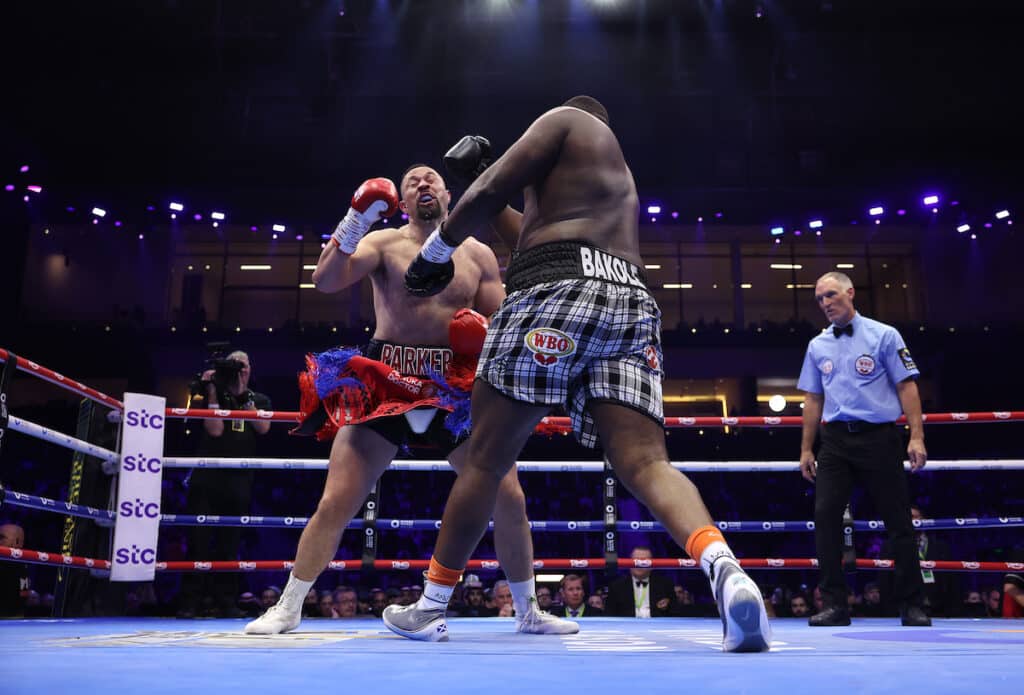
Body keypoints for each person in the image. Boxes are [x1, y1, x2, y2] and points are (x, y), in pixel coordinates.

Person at [384, 95, 771, 652]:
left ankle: (431, 605)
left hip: (556, 296)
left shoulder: (566, 120)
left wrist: (435, 253)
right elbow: (530, 236)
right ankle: (724, 566)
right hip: (629, 301)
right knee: (645, 462)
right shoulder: (612, 183)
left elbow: (493, 191)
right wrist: (478, 181)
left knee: (486, 458)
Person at [244, 161, 576, 637]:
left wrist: (491, 331)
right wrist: (356, 220)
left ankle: (528, 612)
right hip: (386, 381)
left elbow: (501, 322)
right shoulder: (382, 244)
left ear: (448, 194)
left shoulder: (477, 253)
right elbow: (326, 279)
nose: (424, 184)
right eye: (413, 182)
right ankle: (290, 605)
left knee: (509, 499)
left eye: (432, 180)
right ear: (400, 201)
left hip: (452, 386)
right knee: (337, 500)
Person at [797, 271, 930, 627]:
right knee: (825, 518)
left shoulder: (884, 335)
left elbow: (908, 387)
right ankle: (835, 605)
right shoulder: (817, 345)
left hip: (879, 438)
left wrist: (915, 436)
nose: (825, 303)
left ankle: (913, 604)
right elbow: (812, 399)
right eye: (820, 299)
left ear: (850, 293)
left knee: (898, 520)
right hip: (836, 441)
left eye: (830, 295)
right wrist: (806, 448)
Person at [178, 351, 272, 618]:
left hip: (240, 482)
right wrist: (212, 392)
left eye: (244, 365)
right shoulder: (210, 396)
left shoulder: (258, 399)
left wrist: (243, 394)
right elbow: (215, 430)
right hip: (207, 481)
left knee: (230, 546)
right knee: (198, 543)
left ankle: (226, 602)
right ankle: (190, 603)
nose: (239, 370)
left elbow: (263, 428)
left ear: (251, 369)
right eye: (235, 366)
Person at [604, 546, 677, 617]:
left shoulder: (665, 585)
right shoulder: (616, 586)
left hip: (657, 626)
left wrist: (666, 607)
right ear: (629, 562)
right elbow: (609, 615)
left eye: (643, 561)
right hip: (627, 627)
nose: (639, 564)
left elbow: (675, 612)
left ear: (652, 565)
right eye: (636, 560)